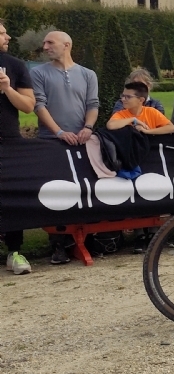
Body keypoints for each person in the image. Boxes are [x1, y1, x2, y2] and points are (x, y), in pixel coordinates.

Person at [32, 31, 100, 266]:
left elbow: (93, 104)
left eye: (50, 42)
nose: (45, 46)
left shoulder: (88, 74)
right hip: (51, 142)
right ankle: (59, 244)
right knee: (56, 193)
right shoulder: (38, 72)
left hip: (82, 141)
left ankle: (88, 238)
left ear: (67, 45)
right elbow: (39, 105)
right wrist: (59, 132)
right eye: (44, 42)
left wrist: (88, 127)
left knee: (85, 189)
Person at [0, 19, 35, 274]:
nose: (8, 36)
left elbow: (28, 105)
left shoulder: (15, 65)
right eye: (2, 33)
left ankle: (15, 251)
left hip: (8, 139)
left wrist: (7, 89)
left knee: (12, 194)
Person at [107, 81, 174, 134]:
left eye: (128, 97)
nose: (123, 99)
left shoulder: (151, 112)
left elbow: (171, 128)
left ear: (141, 100)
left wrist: (147, 132)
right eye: (123, 95)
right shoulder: (121, 114)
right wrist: (133, 119)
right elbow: (110, 125)